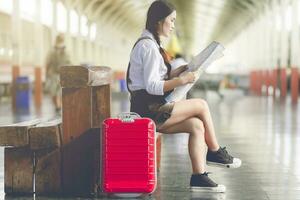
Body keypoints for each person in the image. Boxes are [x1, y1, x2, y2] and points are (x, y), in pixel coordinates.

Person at [126, 0, 242, 193]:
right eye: (171, 21)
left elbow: (153, 79)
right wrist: (182, 80)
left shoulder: (151, 44)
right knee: (202, 105)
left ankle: (199, 177)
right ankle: (214, 151)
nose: (173, 26)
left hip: (150, 107)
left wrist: (176, 72)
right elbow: (153, 86)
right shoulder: (148, 47)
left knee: (197, 126)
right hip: (148, 110)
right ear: (158, 21)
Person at [45, 34, 71, 112]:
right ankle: (59, 106)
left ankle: (58, 106)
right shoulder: (64, 50)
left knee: (56, 92)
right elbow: (69, 63)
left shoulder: (53, 50)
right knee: (58, 92)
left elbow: (48, 63)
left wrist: (46, 73)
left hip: (56, 74)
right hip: (60, 74)